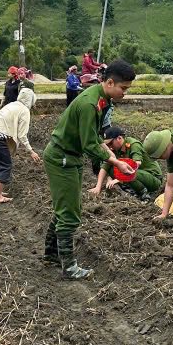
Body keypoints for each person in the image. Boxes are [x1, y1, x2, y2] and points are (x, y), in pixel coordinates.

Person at [42, 59, 137, 279]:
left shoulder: (101, 99)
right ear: (110, 82)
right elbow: (89, 144)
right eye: (123, 88)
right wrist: (115, 161)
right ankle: (69, 267)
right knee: (70, 213)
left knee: (66, 207)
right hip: (62, 158)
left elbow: (94, 136)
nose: (125, 93)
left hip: (70, 157)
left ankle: (51, 256)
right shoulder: (89, 103)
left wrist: (111, 155)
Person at [0, 88, 41, 204]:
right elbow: (22, 135)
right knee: (5, 164)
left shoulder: (12, 104)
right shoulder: (24, 110)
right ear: (31, 100)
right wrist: (31, 151)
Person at [89, 126, 165, 202]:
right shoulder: (115, 149)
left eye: (111, 143)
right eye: (107, 145)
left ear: (119, 138)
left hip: (152, 178)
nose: (110, 147)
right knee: (112, 169)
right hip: (137, 176)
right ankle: (132, 191)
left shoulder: (133, 144)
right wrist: (98, 187)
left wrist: (119, 179)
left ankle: (144, 194)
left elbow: (137, 163)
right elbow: (104, 167)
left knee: (127, 172)